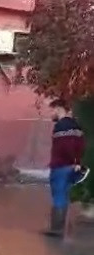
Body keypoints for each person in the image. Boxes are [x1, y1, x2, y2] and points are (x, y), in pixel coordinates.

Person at [46, 99, 85, 237]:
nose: (50, 114)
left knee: (58, 196)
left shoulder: (61, 126)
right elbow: (80, 146)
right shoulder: (77, 126)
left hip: (61, 166)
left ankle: (56, 230)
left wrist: (72, 161)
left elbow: (64, 146)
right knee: (63, 195)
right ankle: (60, 229)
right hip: (71, 167)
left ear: (58, 109)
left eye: (51, 110)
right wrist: (77, 162)